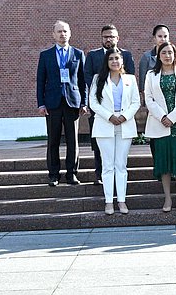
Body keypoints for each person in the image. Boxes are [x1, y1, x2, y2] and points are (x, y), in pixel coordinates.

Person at [36, 20, 89, 187]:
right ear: (53, 34)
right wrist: (41, 104)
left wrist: (84, 102)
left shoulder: (78, 54)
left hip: (72, 102)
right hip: (52, 103)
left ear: (70, 33)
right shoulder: (46, 55)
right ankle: (53, 174)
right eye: (59, 31)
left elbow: (83, 80)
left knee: (73, 140)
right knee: (53, 140)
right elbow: (40, 81)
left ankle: (72, 174)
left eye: (65, 31)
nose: (62, 34)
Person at [88, 47, 140, 215]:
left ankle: (122, 201)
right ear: (107, 62)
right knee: (108, 165)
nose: (115, 61)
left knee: (121, 165)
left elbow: (135, 102)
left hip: (125, 124)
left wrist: (124, 116)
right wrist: (110, 116)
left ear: (122, 61)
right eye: (111, 59)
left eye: (117, 58)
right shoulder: (98, 79)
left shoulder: (130, 79)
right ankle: (109, 201)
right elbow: (93, 103)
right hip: (105, 124)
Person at [83, 24, 137, 184]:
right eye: (106, 36)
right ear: (101, 38)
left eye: (112, 36)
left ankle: (119, 176)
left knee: (121, 150)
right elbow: (87, 76)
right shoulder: (93, 56)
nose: (108, 39)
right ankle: (100, 174)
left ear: (117, 38)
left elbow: (130, 76)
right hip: (100, 109)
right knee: (99, 144)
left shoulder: (126, 55)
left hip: (123, 111)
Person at [144, 42, 176, 212]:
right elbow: (148, 99)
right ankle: (167, 198)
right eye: (163, 53)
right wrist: (163, 117)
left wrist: (171, 118)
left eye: (170, 52)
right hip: (159, 123)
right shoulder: (151, 75)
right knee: (163, 164)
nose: (167, 55)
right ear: (159, 56)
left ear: (175, 54)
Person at [138, 24, 176, 96]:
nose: (163, 39)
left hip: (175, 95)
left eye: (165, 36)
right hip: (154, 97)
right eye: (160, 36)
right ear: (154, 38)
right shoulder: (147, 57)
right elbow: (142, 82)